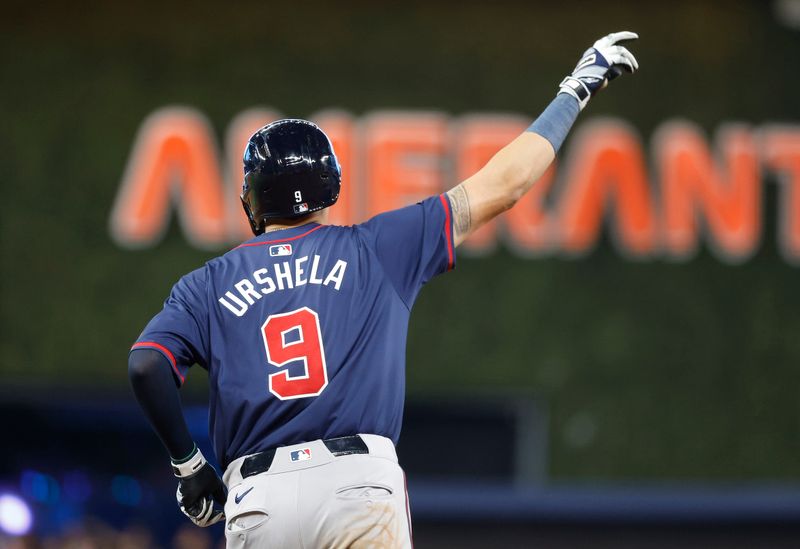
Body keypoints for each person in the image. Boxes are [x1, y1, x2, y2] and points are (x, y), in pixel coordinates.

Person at [128, 31, 639, 548]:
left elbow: (147, 364)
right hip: (357, 486)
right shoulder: (377, 247)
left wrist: (189, 467)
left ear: (252, 199)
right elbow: (503, 184)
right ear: (331, 183)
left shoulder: (206, 284)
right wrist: (576, 88)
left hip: (259, 498)